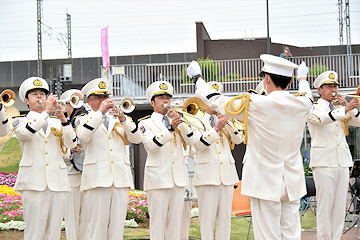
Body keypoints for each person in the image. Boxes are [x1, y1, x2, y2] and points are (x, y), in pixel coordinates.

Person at [187, 54, 313, 239]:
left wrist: (197, 78)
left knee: (268, 235)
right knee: (291, 234)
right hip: (292, 181)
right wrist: (303, 79)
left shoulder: (254, 103)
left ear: (267, 78)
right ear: (291, 80)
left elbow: (214, 99)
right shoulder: (303, 103)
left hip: (264, 181)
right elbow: (308, 94)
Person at [75, 78, 141, 240]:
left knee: (117, 228)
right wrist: (100, 113)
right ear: (89, 101)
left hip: (120, 178)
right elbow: (83, 135)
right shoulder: (83, 118)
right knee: (97, 227)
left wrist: (124, 119)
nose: (104, 100)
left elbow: (137, 138)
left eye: (106, 97)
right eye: (98, 97)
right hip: (97, 179)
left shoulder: (118, 118)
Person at [12, 77, 77, 240]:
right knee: (35, 232)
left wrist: (64, 119)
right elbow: (26, 133)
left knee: (53, 232)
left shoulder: (57, 123)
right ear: (26, 100)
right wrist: (47, 112)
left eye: (42, 94)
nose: (40, 97)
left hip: (57, 181)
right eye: (35, 94)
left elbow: (71, 143)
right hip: (34, 182)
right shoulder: (20, 121)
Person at [138, 81, 195, 240]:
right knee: (157, 225)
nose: (166, 102)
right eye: (161, 98)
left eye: (168, 98)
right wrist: (170, 128)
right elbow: (151, 146)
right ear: (152, 102)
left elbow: (191, 142)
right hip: (158, 180)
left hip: (177, 179)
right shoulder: (145, 123)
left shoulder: (178, 121)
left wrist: (181, 124)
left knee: (175, 226)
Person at [307, 71, 360, 240]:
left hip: (342, 162)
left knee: (339, 207)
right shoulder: (313, 107)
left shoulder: (340, 108)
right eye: (329, 87)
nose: (333, 90)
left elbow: (358, 122)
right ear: (319, 90)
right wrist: (345, 108)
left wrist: (349, 108)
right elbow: (322, 119)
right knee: (325, 206)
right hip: (323, 162)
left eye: (335, 86)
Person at [192, 81, 244, 240]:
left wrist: (227, 123)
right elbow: (198, 144)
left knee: (225, 220)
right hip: (207, 176)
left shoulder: (226, 118)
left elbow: (240, 139)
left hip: (226, 175)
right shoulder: (195, 119)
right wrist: (216, 129)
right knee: (207, 221)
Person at [61, 89, 89, 240]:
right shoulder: (59, 123)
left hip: (87, 172)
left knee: (86, 216)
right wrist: (68, 151)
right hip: (71, 172)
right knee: (71, 215)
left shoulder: (84, 118)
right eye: (71, 103)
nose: (75, 106)